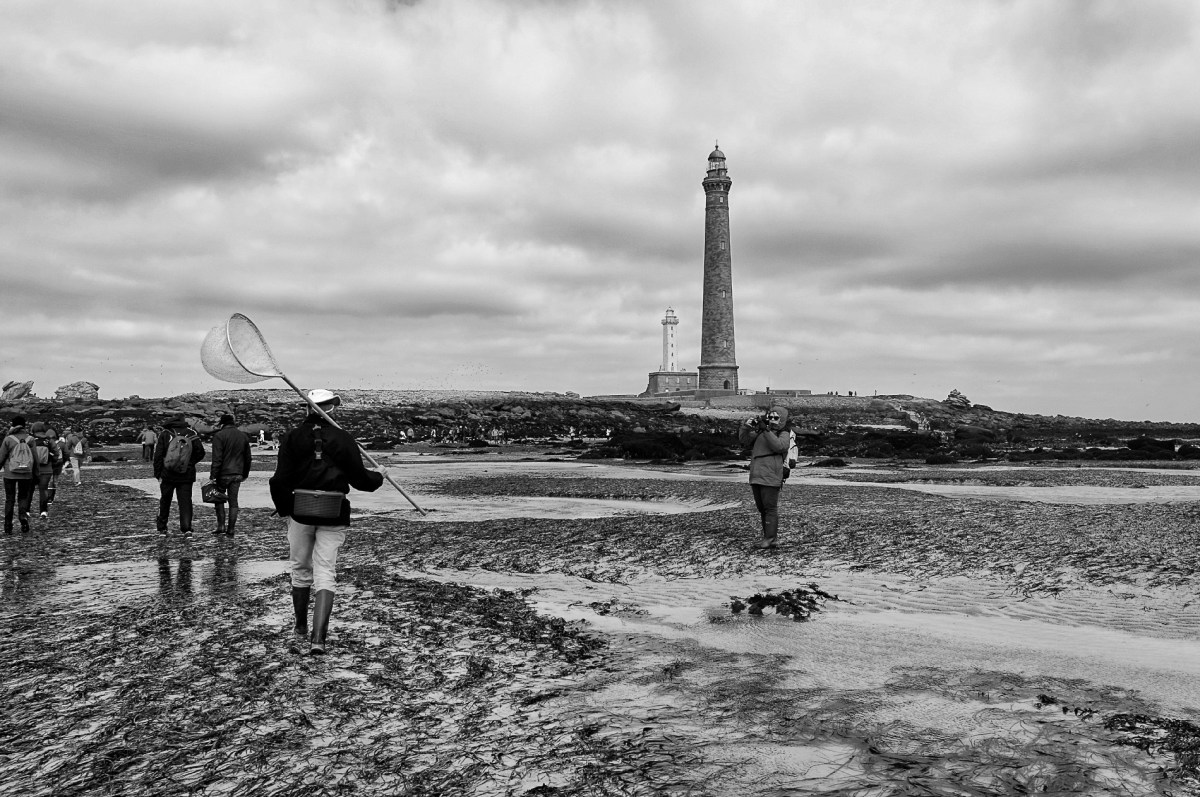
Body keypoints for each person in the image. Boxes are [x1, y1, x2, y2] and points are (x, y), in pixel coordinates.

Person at [270, 389, 384, 655]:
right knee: (325, 572)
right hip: (334, 513)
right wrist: (379, 476)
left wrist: (285, 509)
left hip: (300, 513)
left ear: (307, 409)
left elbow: (279, 481)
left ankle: (300, 627)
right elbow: (362, 481)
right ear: (333, 408)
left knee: (300, 568)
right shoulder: (344, 438)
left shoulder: (293, 437)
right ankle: (318, 640)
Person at [738, 406, 792, 550]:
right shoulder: (762, 432)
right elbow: (744, 440)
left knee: (770, 508)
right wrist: (746, 427)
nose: (772, 420)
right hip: (757, 475)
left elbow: (779, 446)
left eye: (776, 418)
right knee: (762, 508)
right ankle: (768, 537)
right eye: (770, 417)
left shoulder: (784, 433)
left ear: (782, 420)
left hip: (771, 475)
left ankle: (770, 538)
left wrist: (766, 430)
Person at [153, 416, 205, 536]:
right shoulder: (191, 433)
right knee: (185, 501)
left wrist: (158, 474)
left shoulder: (165, 434)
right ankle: (186, 528)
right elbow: (201, 452)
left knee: (165, 500)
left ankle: (162, 527)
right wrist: (189, 463)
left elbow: (158, 455)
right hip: (186, 474)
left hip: (167, 473)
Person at [209, 414, 252, 537]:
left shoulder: (219, 436)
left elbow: (217, 458)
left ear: (222, 424)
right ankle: (231, 529)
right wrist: (245, 474)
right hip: (237, 474)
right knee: (233, 502)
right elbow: (248, 458)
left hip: (222, 474)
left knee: (219, 499)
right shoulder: (243, 436)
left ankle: (221, 526)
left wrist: (213, 475)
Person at [0, 417, 40, 534]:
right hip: (26, 473)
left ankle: (8, 525)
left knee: (10, 499)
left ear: (13, 425)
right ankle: (23, 519)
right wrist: (36, 473)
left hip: (10, 473)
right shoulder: (30, 439)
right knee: (23, 497)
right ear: (24, 425)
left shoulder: (8, 439)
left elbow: (1, 457)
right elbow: (35, 458)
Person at [29, 422, 62, 519]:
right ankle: (43, 511)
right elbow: (57, 453)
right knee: (43, 490)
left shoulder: (30, 440)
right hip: (46, 469)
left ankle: (26, 510)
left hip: (32, 469)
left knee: (29, 490)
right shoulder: (49, 440)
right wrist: (51, 461)